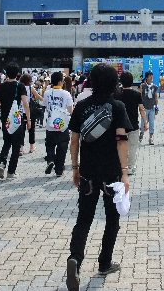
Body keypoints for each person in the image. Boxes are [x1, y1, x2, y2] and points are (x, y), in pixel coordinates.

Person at [66, 64, 132, 290]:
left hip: (88, 172)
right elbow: (121, 140)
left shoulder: (81, 106)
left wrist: (75, 168)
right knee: (112, 219)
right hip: (111, 174)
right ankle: (104, 263)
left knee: (83, 219)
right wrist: (125, 172)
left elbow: (74, 140)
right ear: (114, 83)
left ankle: (75, 259)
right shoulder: (117, 106)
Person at [0, 62, 30, 179]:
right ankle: (11, 172)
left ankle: (2, 163)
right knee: (16, 145)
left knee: (6, 142)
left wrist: (4, 104)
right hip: (16, 119)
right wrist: (28, 119)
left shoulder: (0, 86)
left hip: (5, 118)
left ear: (6, 74)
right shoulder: (20, 86)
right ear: (17, 73)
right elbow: (25, 103)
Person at [114, 71, 147, 176]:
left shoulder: (117, 94)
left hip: (120, 126)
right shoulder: (136, 94)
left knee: (120, 146)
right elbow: (141, 109)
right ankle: (130, 167)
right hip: (133, 125)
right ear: (132, 81)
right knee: (132, 147)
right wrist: (145, 122)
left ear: (121, 81)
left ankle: (120, 166)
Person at [43, 71, 74, 177]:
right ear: (61, 81)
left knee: (50, 144)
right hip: (62, 124)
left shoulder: (47, 93)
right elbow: (70, 110)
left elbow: (46, 106)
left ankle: (50, 159)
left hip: (50, 124)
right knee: (62, 146)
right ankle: (59, 170)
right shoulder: (66, 94)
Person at [22, 73, 44, 153]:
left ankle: (21, 148)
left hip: (21, 111)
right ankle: (31, 147)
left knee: (22, 130)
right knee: (31, 129)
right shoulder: (30, 88)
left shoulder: (19, 87)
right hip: (30, 111)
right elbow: (39, 97)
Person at [138, 71, 158, 144]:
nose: (151, 77)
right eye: (150, 76)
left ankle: (150, 138)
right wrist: (139, 106)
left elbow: (155, 96)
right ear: (146, 77)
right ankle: (142, 133)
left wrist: (156, 106)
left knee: (152, 123)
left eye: (152, 76)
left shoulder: (154, 86)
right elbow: (140, 95)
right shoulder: (142, 86)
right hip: (144, 107)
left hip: (152, 107)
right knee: (143, 122)